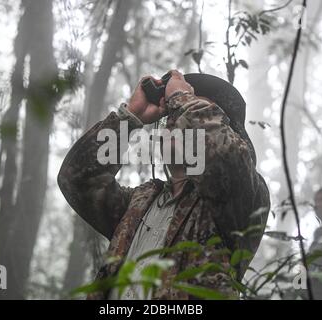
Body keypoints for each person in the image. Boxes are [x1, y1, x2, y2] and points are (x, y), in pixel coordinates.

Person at [57, 70, 270, 299]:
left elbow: (227, 159)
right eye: (171, 115)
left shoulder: (240, 197)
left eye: (188, 112)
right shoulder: (138, 203)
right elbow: (77, 178)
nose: (175, 120)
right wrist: (130, 117)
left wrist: (180, 95)